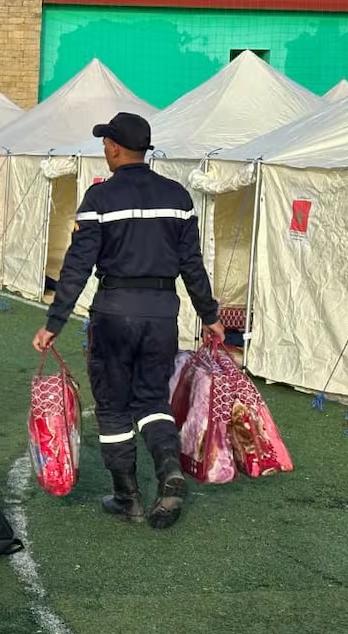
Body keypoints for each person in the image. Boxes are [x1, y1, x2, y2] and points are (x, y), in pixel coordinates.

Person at [32, 112, 225, 530]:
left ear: (116, 148)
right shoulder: (178, 197)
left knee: (113, 406)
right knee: (153, 400)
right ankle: (169, 471)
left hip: (114, 315)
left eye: (106, 143)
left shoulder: (99, 199)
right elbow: (192, 265)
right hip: (162, 315)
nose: (104, 148)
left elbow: (77, 266)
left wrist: (54, 322)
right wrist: (209, 315)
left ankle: (127, 498)